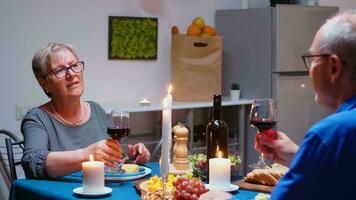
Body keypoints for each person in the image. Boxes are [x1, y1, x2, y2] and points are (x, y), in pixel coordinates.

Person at [255, 11, 356, 199]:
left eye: (313, 60)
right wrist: (300, 155)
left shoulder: (332, 134)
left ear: (334, 67)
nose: (309, 71)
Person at [21, 42, 150, 179]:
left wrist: (132, 159)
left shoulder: (96, 110)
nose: (71, 74)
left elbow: (111, 165)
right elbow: (32, 163)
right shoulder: (37, 118)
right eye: (59, 70)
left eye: (74, 65)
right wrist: (88, 155)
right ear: (45, 84)